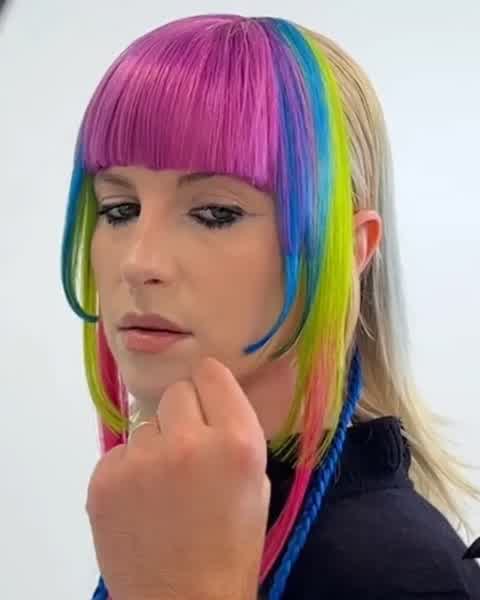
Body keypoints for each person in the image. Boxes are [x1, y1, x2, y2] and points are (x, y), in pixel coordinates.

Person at [61, 14, 480, 600]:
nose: (138, 261)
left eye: (215, 213)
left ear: (350, 250)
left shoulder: (401, 575)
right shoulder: (170, 512)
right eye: (119, 209)